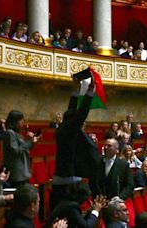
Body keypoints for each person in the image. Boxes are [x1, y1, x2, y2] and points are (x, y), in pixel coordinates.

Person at [50, 71, 97, 209]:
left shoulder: (65, 127)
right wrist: (89, 91)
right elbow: (81, 113)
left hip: (61, 177)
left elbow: (72, 108)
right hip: (67, 181)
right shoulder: (70, 129)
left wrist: (77, 89)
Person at [3, 110, 39, 187]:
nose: (22, 122)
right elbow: (15, 151)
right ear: (14, 121)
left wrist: (31, 140)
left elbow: (24, 148)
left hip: (23, 171)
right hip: (17, 172)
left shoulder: (17, 133)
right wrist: (29, 142)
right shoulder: (9, 133)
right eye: (21, 120)